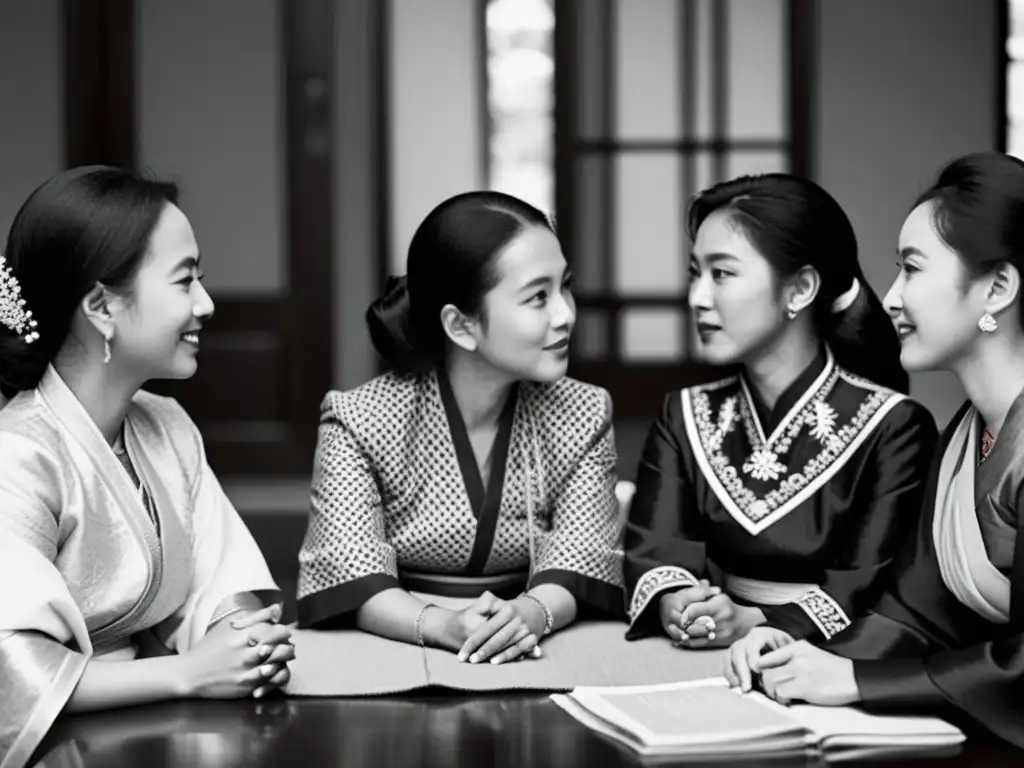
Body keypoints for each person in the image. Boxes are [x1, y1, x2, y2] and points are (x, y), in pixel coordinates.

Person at [724, 153, 1024, 749]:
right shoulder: (965, 439)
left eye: (912, 269)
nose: (889, 297)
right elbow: (915, 614)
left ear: (997, 287)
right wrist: (801, 654)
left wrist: (857, 681)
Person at [0, 166, 294, 768]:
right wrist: (188, 673)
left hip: (159, 725)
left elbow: (224, 582)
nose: (205, 304)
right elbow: (9, 671)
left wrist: (240, 642)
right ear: (102, 306)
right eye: (185, 281)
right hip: (58, 740)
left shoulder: (165, 426)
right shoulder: (17, 455)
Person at [296, 191, 623, 665]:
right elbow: (348, 571)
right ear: (461, 325)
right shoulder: (361, 418)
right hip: (398, 639)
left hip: (534, 636)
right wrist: (442, 625)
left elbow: (584, 556)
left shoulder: (583, 411)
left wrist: (528, 614)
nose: (565, 314)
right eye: (537, 297)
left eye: (564, 287)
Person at [623, 173, 937, 650]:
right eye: (695, 273)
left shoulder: (894, 426)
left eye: (722, 274)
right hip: (702, 658)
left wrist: (754, 622)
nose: (698, 298)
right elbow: (655, 545)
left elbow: (871, 583)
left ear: (800, 289)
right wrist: (682, 603)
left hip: (826, 661)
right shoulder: (683, 415)